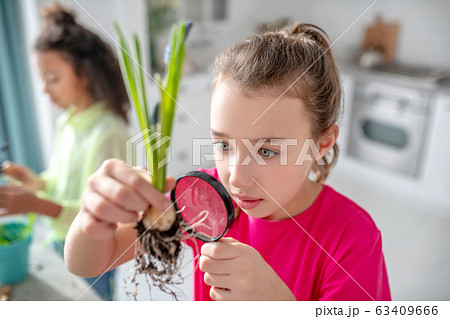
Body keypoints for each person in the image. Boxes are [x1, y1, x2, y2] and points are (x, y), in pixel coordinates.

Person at [64, 23, 391, 301]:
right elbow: (88, 263)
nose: (237, 178)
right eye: (223, 144)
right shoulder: (203, 198)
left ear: (321, 144)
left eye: (266, 151)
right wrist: (93, 219)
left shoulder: (353, 238)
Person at [0, 3, 129, 300]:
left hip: (94, 252)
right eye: (42, 79)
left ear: (84, 74)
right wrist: (38, 183)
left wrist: (36, 204)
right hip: (60, 241)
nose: (45, 90)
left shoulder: (108, 132)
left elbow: (102, 217)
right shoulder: (67, 123)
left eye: (53, 78)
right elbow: (64, 183)